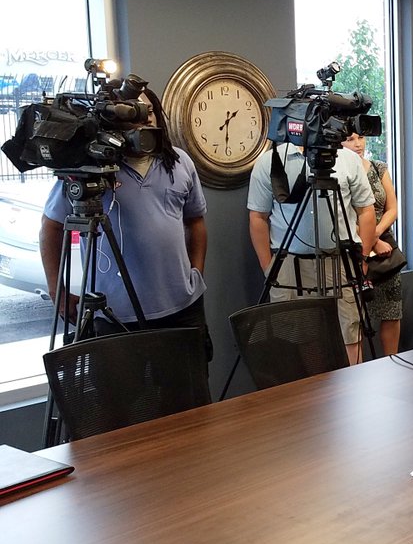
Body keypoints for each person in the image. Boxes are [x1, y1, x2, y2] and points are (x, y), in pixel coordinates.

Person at [40, 107, 211, 360]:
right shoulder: (91, 168)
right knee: (126, 396)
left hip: (182, 307)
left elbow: (195, 221)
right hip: (115, 313)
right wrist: (58, 292)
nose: (143, 117)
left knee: (193, 392)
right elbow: (51, 227)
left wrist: (195, 272)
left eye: (148, 110)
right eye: (132, 112)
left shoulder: (179, 161)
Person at [247, 138, 375, 364]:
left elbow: (366, 210)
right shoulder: (270, 162)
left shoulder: (348, 160)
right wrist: (269, 268)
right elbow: (258, 217)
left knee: (350, 331)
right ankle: (315, 395)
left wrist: (362, 258)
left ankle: (353, 395)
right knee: (301, 337)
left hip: (341, 262)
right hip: (290, 265)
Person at [342, 132, 403, 356]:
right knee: (354, 317)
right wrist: (371, 242)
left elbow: (392, 208)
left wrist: (376, 233)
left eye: (360, 138)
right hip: (355, 252)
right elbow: (343, 213)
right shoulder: (339, 173)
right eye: (350, 139)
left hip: (385, 252)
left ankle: (392, 361)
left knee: (391, 312)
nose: (357, 144)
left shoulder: (379, 167)